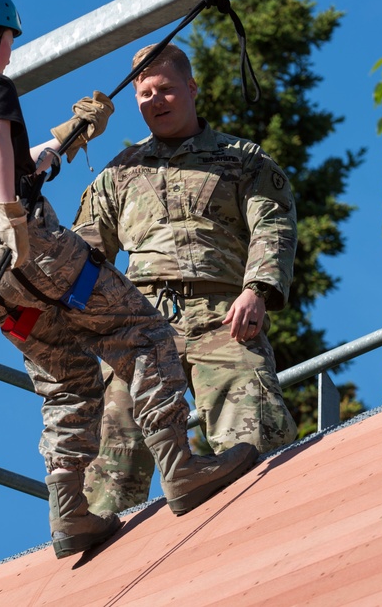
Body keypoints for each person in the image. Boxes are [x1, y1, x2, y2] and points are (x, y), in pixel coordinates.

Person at [0, 0, 259, 559]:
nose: (10, 55)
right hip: (23, 246)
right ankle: (182, 470)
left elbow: (8, 161)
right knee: (145, 333)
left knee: (64, 380)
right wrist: (13, 215)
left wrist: (69, 136)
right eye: (8, 42)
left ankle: (70, 515)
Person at [73, 43, 299, 515]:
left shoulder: (243, 160)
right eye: (145, 93)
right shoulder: (118, 175)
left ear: (191, 89)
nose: (156, 100)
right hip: (141, 328)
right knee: (112, 475)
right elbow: (84, 257)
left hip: (224, 319)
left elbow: (272, 224)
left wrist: (257, 289)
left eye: (167, 89)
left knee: (258, 444)